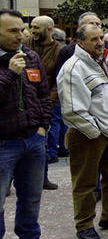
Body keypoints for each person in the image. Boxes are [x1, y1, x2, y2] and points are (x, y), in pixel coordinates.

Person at [58, 23, 108, 239]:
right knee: (85, 183)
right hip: (87, 134)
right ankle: (84, 224)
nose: (100, 42)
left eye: (101, 37)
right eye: (94, 39)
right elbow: (73, 109)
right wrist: (97, 131)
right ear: (80, 43)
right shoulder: (73, 68)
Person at [0, 9, 61, 239]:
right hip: (4, 144)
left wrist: (43, 127)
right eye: (13, 31)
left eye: (22, 30)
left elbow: (43, 95)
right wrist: (10, 73)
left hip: (33, 140)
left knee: (31, 197)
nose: (21, 36)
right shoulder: (12, 64)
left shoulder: (31, 57)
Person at [25, 16, 62, 190]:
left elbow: (57, 80)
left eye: (37, 27)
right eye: (32, 27)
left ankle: (42, 177)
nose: (33, 31)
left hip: (46, 102)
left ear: (49, 30)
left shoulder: (59, 50)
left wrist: (50, 100)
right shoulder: (25, 45)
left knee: (43, 142)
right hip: (23, 101)